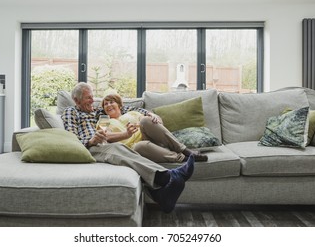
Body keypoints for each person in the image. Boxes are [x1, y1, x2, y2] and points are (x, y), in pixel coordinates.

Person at [61, 82, 195, 213]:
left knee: (119, 147)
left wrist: (149, 114)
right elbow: (72, 138)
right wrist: (90, 141)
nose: (92, 100)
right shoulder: (71, 112)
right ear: (76, 100)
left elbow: (122, 110)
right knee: (117, 148)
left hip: (104, 144)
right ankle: (168, 177)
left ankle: (160, 194)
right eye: (88, 98)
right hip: (88, 149)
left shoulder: (98, 113)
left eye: (92, 96)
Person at [101, 93, 208, 163]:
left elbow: (156, 123)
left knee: (145, 120)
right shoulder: (104, 120)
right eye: (105, 104)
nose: (108, 105)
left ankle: (185, 150)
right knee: (140, 146)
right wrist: (125, 134)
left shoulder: (132, 113)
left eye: (111, 102)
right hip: (135, 148)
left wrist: (155, 118)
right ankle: (182, 158)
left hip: (151, 138)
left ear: (119, 105)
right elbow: (105, 136)